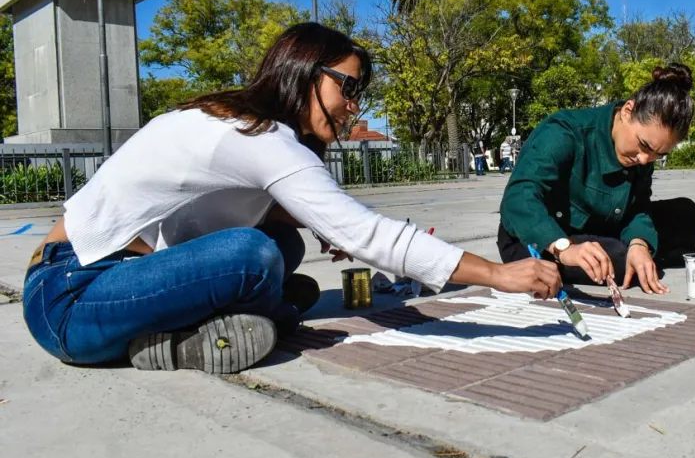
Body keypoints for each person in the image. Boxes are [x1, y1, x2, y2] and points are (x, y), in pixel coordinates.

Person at [21, 24, 561, 375]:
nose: (353, 106)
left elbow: (219, 220)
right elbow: (364, 233)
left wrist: (321, 226)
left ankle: (221, 324)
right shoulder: (257, 136)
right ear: (303, 71)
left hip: (111, 281)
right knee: (252, 256)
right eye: (347, 87)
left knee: (284, 248)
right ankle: (201, 335)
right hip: (70, 300)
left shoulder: (244, 124)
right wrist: (497, 274)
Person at [497, 65, 695, 294]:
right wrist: (563, 246)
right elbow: (519, 198)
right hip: (537, 241)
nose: (644, 159)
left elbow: (638, 208)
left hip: (604, 229)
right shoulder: (565, 132)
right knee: (619, 260)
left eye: (657, 155)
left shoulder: (643, 156)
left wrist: (639, 242)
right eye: (643, 146)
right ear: (627, 111)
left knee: (684, 214)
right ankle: (662, 252)